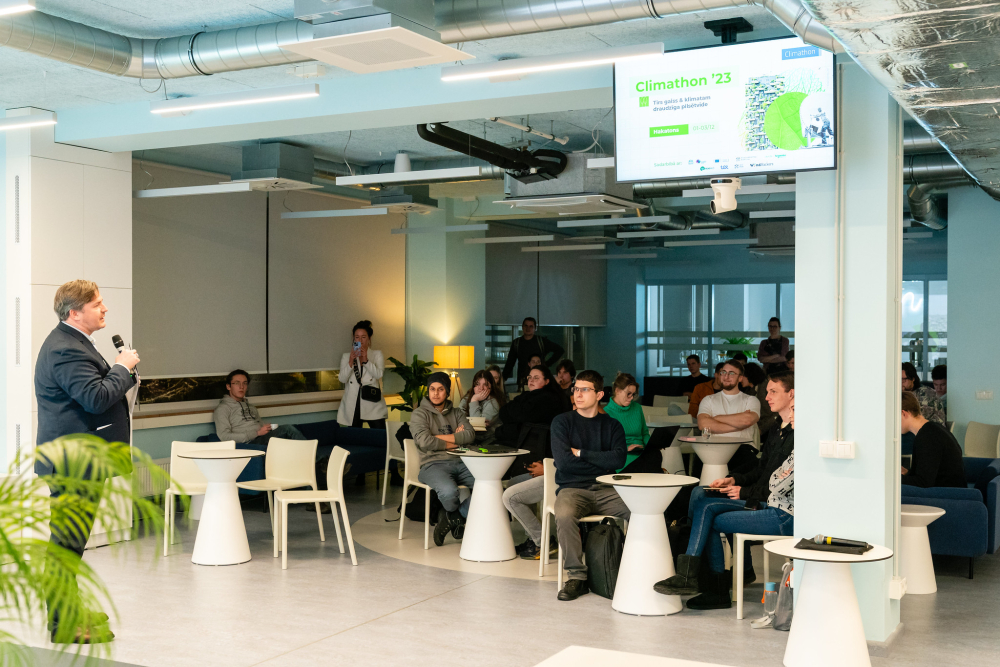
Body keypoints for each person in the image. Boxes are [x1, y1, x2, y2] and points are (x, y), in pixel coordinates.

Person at [35, 280, 140, 644]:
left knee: (71, 545)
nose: (104, 308)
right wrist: (122, 368)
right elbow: (95, 398)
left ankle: (70, 610)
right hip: (73, 464)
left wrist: (121, 372)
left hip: (80, 460)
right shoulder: (66, 348)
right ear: (75, 312)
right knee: (66, 546)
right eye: (97, 304)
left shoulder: (75, 342)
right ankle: (63, 624)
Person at [655, 371, 795, 608]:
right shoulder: (776, 428)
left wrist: (744, 492)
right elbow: (761, 470)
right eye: (767, 391)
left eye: (773, 392)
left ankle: (702, 580)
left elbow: (781, 489)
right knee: (700, 493)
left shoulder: (798, 435)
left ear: (791, 395)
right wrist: (733, 479)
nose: (767, 397)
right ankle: (703, 576)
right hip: (764, 498)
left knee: (707, 509)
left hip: (776, 509)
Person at [552, 370, 629, 601]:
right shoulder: (562, 422)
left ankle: (635, 567)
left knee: (643, 509)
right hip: (573, 489)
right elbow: (564, 463)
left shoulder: (612, 426)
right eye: (576, 389)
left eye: (585, 390)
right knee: (564, 514)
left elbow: (618, 460)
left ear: (599, 395)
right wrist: (600, 462)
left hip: (607, 489)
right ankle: (577, 577)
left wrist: (582, 453)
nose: (578, 394)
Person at [409, 372, 477, 546]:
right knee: (448, 492)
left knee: (489, 486)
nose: (436, 393)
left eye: (440, 389)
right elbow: (424, 441)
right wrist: (455, 439)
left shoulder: (457, 413)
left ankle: (452, 517)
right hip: (432, 464)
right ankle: (456, 517)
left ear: (447, 391)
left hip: (461, 462)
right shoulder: (419, 414)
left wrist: (437, 438)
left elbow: (469, 435)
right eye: (432, 389)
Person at [214, 370, 305, 444]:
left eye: (245, 383)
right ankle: (312, 456)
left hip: (261, 438)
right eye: (237, 383)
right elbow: (224, 436)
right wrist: (256, 433)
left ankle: (307, 457)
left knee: (289, 439)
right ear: (228, 386)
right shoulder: (223, 409)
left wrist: (266, 428)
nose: (241, 387)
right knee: (288, 430)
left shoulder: (251, 407)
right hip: (248, 444)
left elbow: (260, 426)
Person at [901, 391, 964, 488]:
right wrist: (907, 473)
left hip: (947, 494)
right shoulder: (933, 429)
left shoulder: (927, 437)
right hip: (950, 490)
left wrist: (892, 477)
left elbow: (923, 483)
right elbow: (928, 475)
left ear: (903, 413)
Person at [337, 320, 388, 430]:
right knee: (355, 436)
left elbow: (379, 375)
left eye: (363, 337)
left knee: (380, 434)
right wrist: (351, 361)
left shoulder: (377, 354)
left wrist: (366, 361)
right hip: (353, 402)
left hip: (372, 401)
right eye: (357, 337)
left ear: (369, 338)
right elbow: (342, 379)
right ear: (353, 339)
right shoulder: (346, 357)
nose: (360, 341)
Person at [501, 317, 565, 389]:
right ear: (522, 327)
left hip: (540, 380)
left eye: (531, 326)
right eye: (526, 326)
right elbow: (510, 363)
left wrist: (547, 364)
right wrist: (502, 379)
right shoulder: (517, 343)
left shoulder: (541, 341)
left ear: (535, 328)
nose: (528, 328)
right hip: (523, 380)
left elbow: (560, 350)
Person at [603, 372, 649, 468]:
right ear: (617, 391)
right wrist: (625, 448)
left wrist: (651, 446)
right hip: (623, 455)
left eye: (633, 394)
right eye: (628, 394)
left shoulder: (637, 408)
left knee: (656, 456)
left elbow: (645, 433)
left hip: (642, 452)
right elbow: (605, 444)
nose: (631, 398)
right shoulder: (606, 413)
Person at [458, 370, 504, 440]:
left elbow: (478, 426)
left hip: (486, 440)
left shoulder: (493, 402)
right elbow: (458, 419)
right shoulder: (466, 398)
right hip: (467, 437)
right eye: (478, 384)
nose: (481, 388)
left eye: (485, 384)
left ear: (491, 386)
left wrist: (474, 400)